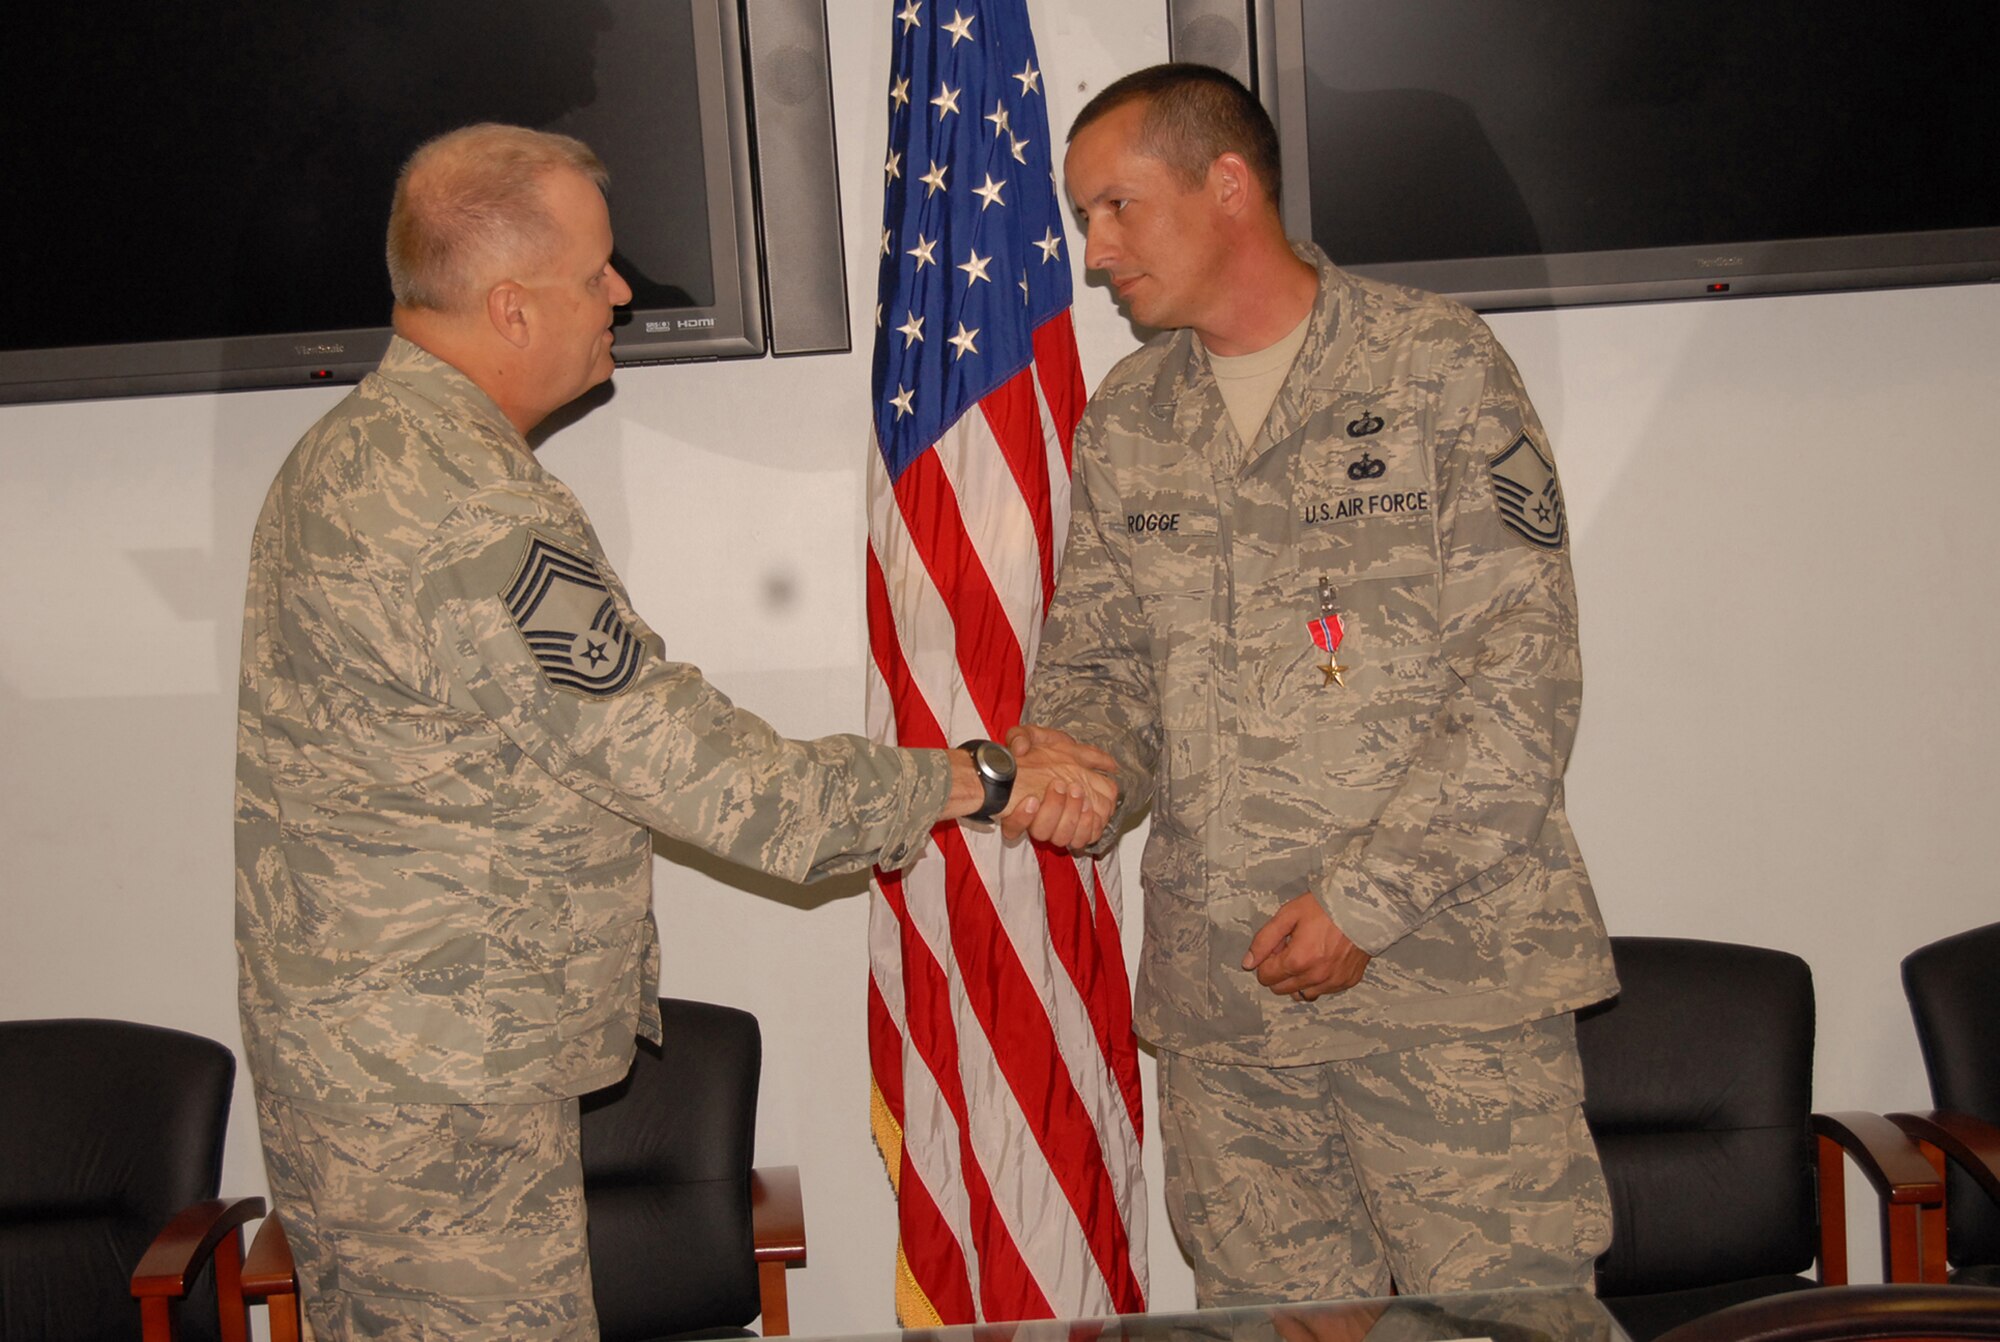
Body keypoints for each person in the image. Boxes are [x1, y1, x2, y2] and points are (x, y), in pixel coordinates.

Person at [234, 123, 1116, 1341]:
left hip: (377, 1083)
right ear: (508, 307)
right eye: (593, 270)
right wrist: (980, 776)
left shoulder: (353, 453)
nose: (621, 291)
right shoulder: (463, 503)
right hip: (441, 1117)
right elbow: (707, 776)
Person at [1018, 65, 1618, 1305]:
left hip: (1444, 990)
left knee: (1498, 1328)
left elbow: (1521, 678)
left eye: (1116, 207)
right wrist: (1083, 761)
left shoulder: (1432, 366)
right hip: (1224, 1006)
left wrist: (1364, 899)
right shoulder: (1129, 418)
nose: (1094, 252)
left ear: (1226, 185)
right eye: (1084, 219)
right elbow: (1101, 663)